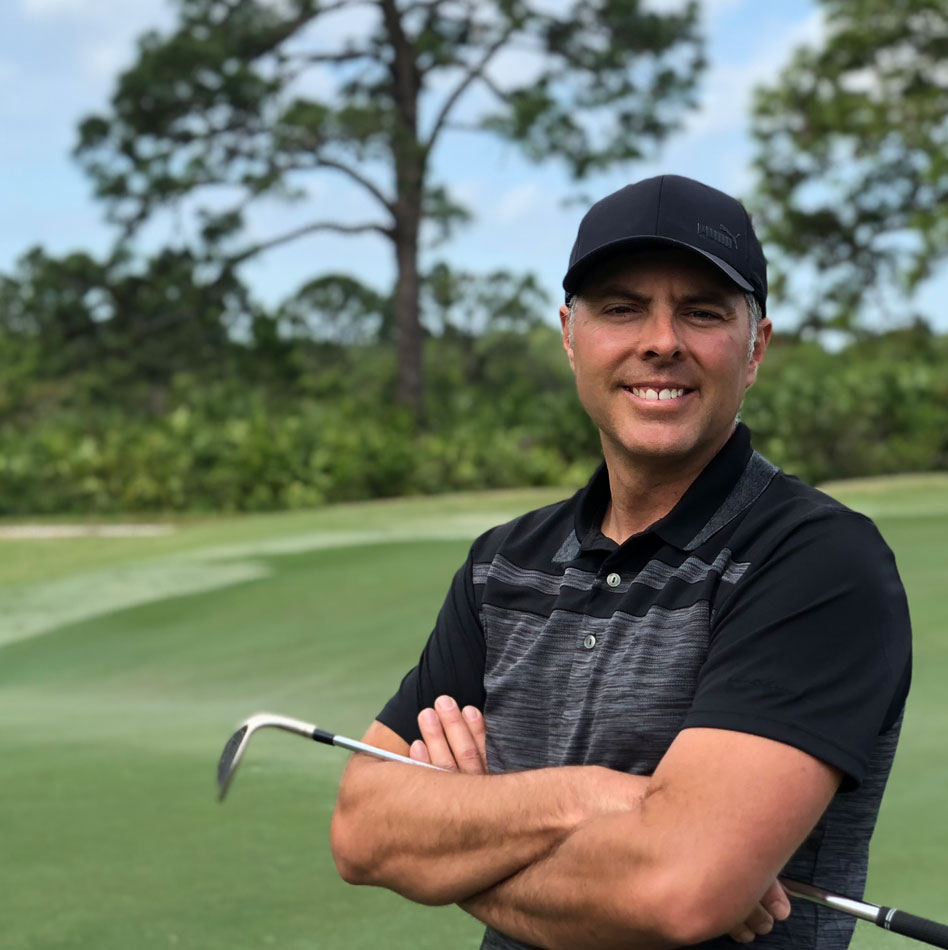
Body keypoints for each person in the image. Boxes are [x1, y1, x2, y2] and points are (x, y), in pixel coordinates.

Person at [328, 175, 913, 950]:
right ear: (571, 335)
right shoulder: (502, 565)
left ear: (756, 346)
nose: (662, 341)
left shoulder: (818, 562)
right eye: (621, 307)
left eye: (702, 311)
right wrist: (600, 799)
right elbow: (365, 828)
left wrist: (461, 838)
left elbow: (675, 890)